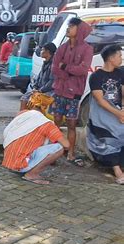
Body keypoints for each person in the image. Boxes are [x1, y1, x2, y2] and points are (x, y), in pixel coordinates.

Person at [50, 17, 92, 166]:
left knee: (72, 124)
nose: (68, 28)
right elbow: (54, 68)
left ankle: (71, 153)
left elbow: (82, 70)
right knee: (55, 122)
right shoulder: (62, 47)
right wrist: (68, 72)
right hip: (59, 91)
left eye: (72, 26)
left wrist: (65, 67)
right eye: (69, 26)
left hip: (74, 93)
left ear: (79, 30)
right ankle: (53, 152)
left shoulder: (87, 49)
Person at [2, 106, 70, 184]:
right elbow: (66, 145)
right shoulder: (46, 124)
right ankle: (31, 175)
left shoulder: (22, 115)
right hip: (20, 166)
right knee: (59, 148)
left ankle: (20, 166)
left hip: (8, 163)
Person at [87, 44, 124, 184]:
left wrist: (123, 110)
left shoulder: (121, 73)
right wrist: (118, 114)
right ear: (111, 58)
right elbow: (100, 100)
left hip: (117, 111)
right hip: (101, 115)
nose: (121, 58)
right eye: (119, 56)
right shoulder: (96, 77)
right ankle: (117, 171)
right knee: (111, 137)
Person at [19, 42, 57, 111]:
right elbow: (39, 78)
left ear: (47, 51)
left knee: (36, 102)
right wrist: (35, 87)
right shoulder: (45, 63)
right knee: (24, 98)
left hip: (50, 92)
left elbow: (52, 82)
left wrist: (40, 90)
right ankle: (22, 119)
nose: (41, 52)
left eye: (42, 50)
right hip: (40, 90)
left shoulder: (54, 64)